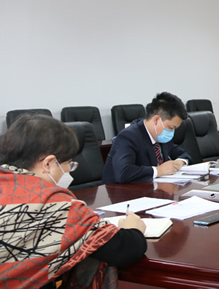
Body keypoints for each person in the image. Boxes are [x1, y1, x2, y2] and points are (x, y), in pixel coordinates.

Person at [0, 114, 147, 289]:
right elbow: (123, 249)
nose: (69, 170)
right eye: (69, 163)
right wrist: (133, 229)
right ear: (48, 164)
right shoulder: (53, 203)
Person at [103, 92, 192, 184]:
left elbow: (184, 154)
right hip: (120, 190)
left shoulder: (161, 137)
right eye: (171, 127)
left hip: (154, 188)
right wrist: (158, 171)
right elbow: (123, 173)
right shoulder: (128, 136)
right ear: (156, 120)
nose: (172, 132)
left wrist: (179, 163)